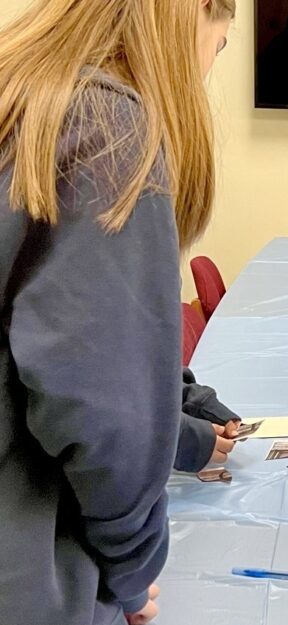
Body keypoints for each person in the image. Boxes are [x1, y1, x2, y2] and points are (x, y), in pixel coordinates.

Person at [0, 1, 234, 624]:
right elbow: (105, 412)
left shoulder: (20, 92)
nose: (208, 72)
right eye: (220, 46)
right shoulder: (107, 128)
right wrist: (133, 572)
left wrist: (188, 402)